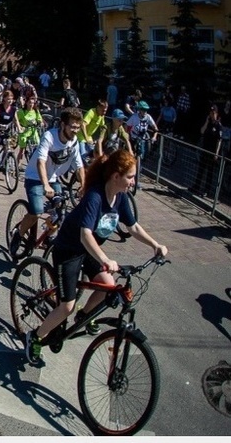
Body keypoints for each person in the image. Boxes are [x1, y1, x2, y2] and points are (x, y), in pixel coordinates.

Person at [24, 149, 168, 365]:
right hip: (69, 250)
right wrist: (105, 260)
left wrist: (155, 245)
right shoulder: (95, 196)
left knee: (107, 285)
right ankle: (35, 338)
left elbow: (133, 227)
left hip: (89, 251)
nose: (133, 181)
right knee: (66, 306)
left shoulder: (120, 198)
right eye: (130, 176)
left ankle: (84, 317)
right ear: (116, 176)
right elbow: (85, 235)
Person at [10, 108, 85, 257]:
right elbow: (40, 162)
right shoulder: (49, 136)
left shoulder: (74, 141)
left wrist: (84, 185)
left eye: (78, 127)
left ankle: (48, 237)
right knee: (36, 211)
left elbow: (79, 165)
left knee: (60, 210)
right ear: (63, 125)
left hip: (52, 179)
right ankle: (18, 233)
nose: (75, 131)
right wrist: (45, 185)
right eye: (72, 127)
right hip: (35, 177)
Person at [190, 104, 223, 197]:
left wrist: (216, 153)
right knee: (201, 169)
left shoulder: (218, 126)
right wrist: (206, 122)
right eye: (210, 113)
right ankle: (196, 186)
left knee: (210, 172)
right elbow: (202, 131)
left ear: (216, 114)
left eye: (213, 113)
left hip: (212, 152)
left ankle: (207, 190)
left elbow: (219, 140)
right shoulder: (208, 123)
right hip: (205, 149)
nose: (212, 115)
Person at [125, 100, 157, 190]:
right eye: (143, 110)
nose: (144, 112)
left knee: (140, 159)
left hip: (142, 139)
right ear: (139, 110)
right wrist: (127, 135)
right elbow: (126, 126)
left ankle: (136, 179)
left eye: (146, 110)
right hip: (133, 138)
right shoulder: (134, 117)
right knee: (129, 156)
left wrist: (154, 136)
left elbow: (155, 128)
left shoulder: (148, 117)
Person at [15, 93, 45, 166]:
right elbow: (15, 118)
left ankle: (36, 162)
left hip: (33, 131)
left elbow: (39, 119)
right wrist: (19, 126)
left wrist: (41, 123)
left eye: (32, 103)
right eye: (29, 103)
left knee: (38, 146)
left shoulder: (35, 111)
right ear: (26, 103)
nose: (31, 104)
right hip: (24, 132)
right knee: (22, 150)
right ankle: (17, 166)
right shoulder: (22, 111)